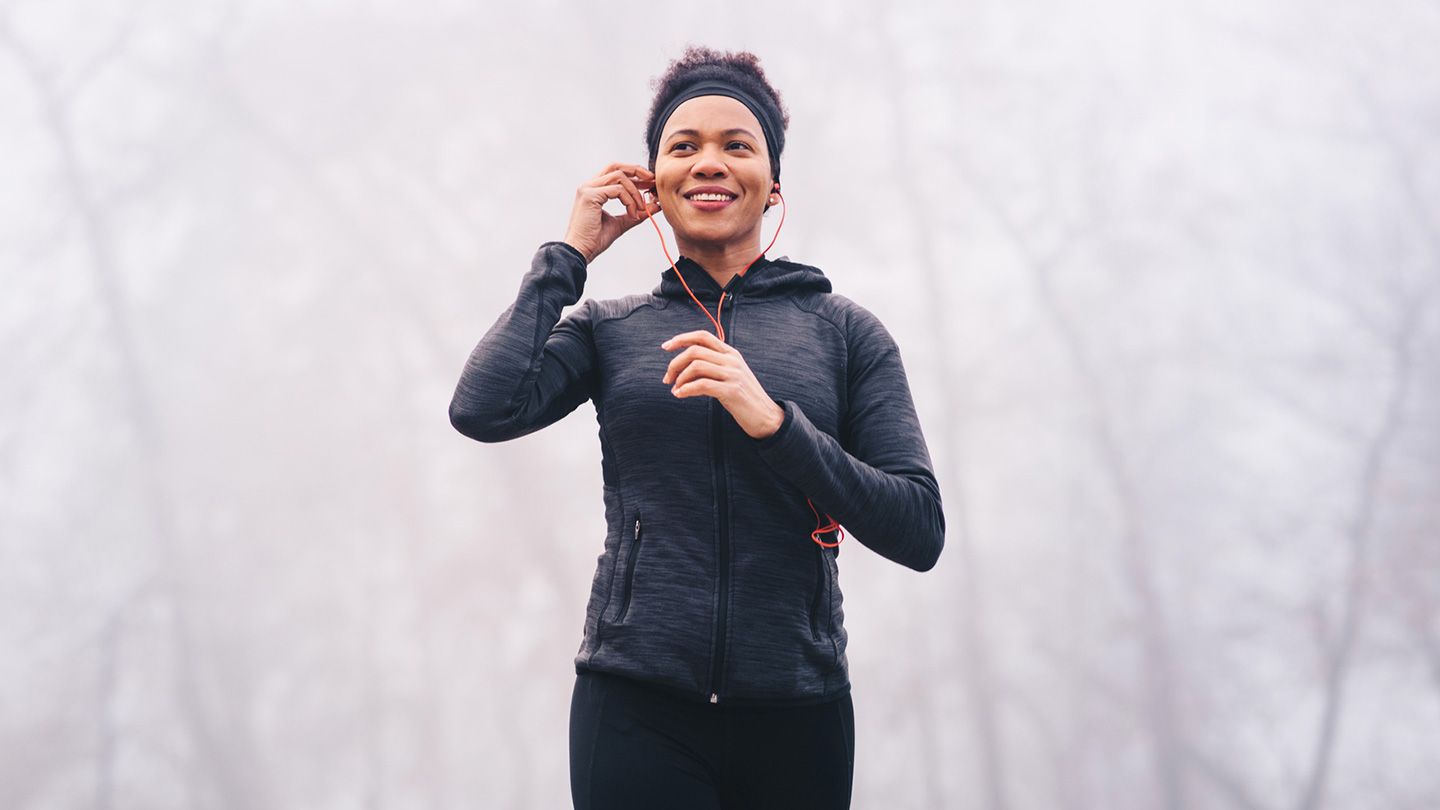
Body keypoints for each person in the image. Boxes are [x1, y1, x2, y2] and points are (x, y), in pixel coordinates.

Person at [448, 45, 945, 810]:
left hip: (797, 712)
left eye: (735, 145)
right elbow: (481, 408)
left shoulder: (846, 334)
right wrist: (570, 253)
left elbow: (918, 529)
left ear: (772, 183)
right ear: (656, 182)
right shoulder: (609, 332)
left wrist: (776, 424)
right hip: (636, 705)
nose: (708, 162)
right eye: (684, 147)